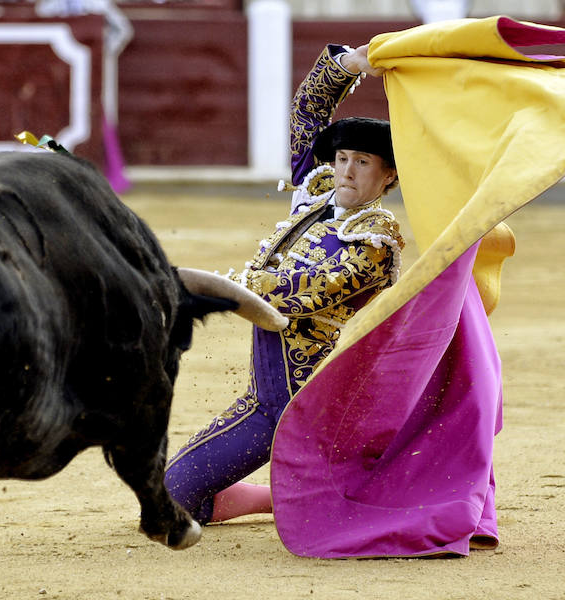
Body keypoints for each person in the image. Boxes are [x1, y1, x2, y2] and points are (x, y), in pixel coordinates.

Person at [163, 43, 403, 524]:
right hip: (269, 399)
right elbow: (309, 112)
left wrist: (213, 285)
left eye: (362, 163)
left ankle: (330, 481)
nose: (346, 171)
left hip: (308, 410)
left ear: (389, 175)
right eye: (342, 158)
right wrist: (348, 66)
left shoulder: (376, 240)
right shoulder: (315, 194)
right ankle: (283, 493)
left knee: (173, 500)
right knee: (174, 493)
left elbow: (292, 294)